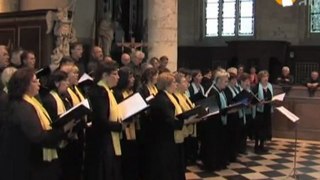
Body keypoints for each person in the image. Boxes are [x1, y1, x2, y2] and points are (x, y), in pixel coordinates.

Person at [0, 67, 75, 180]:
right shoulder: (22, 106)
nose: (39, 83)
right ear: (24, 85)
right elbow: (38, 136)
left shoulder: (30, 101)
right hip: (26, 164)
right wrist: (63, 129)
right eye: (34, 81)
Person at [84, 62, 123, 180]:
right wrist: (119, 126)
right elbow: (100, 120)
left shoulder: (105, 91)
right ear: (105, 75)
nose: (118, 77)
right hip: (101, 142)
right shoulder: (99, 92)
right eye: (115, 74)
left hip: (106, 139)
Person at [145, 72, 186, 180]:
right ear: (166, 84)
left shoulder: (167, 97)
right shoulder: (162, 100)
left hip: (167, 138)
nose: (176, 85)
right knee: (165, 169)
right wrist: (185, 121)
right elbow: (169, 120)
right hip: (163, 140)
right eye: (174, 83)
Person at [113, 67, 139, 180]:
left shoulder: (131, 92)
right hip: (123, 131)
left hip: (133, 128)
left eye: (133, 76)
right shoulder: (117, 94)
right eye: (130, 77)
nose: (133, 79)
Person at [200, 69, 229, 171]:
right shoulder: (212, 91)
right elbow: (212, 109)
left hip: (217, 122)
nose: (227, 84)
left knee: (218, 143)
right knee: (212, 144)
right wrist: (226, 110)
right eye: (225, 81)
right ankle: (211, 165)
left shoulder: (220, 91)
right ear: (219, 80)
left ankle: (217, 163)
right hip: (211, 124)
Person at [174, 73, 199, 166]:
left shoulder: (184, 95)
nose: (187, 84)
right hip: (181, 129)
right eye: (184, 82)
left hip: (188, 129)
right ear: (177, 84)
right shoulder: (176, 97)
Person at [252, 70, 274, 154]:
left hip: (267, 110)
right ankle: (256, 146)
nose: (266, 78)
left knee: (265, 128)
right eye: (264, 77)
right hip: (259, 111)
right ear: (260, 78)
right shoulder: (257, 87)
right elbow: (253, 99)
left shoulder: (270, 86)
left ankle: (262, 145)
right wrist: (259, 102)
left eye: (267, 76)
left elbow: (271, 97)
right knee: (259, 128)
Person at [238, 73, 253, 154]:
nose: (248, 83)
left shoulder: (249, 90)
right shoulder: (238, 90)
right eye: (246, 81)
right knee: (240, 131)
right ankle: (240, 148)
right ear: (241, 82)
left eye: (249, 81)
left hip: (247, 112)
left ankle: (243, 147)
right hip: (240, 113)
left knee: (245, 131)